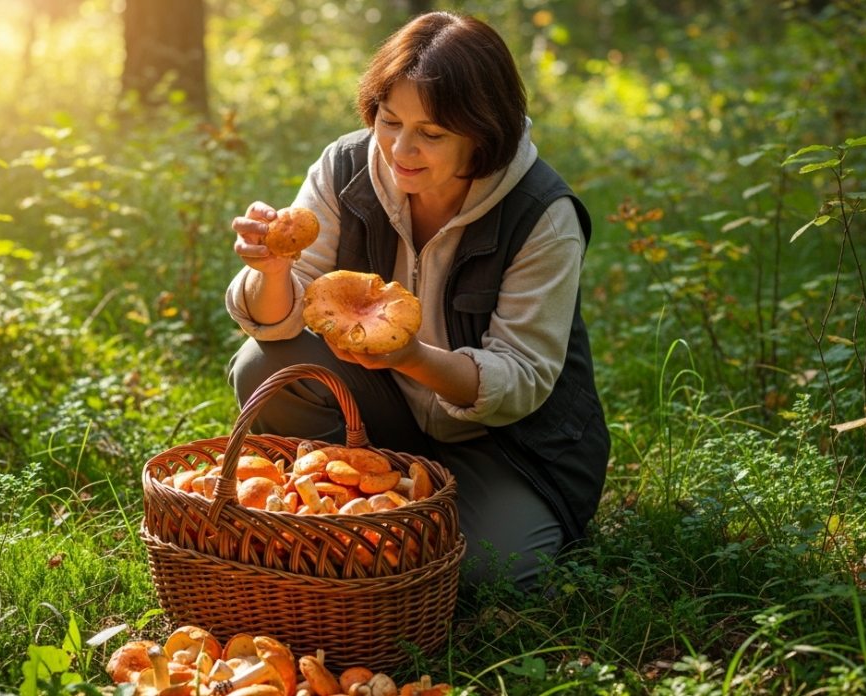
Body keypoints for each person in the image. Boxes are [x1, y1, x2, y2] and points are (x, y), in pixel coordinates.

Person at [224, 11, 609, 589]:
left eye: (432, 133)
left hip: (506, 444)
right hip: (383, 417)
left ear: (483, 134)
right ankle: (353, 499)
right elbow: (277, 323)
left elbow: (522, 379)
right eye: (389, 120)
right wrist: (273, 271)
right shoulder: (344, 169)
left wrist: (411, 357)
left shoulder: (542, 216)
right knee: (263, 365)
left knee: (485, 572)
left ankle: (434, 516)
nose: (401, 149)